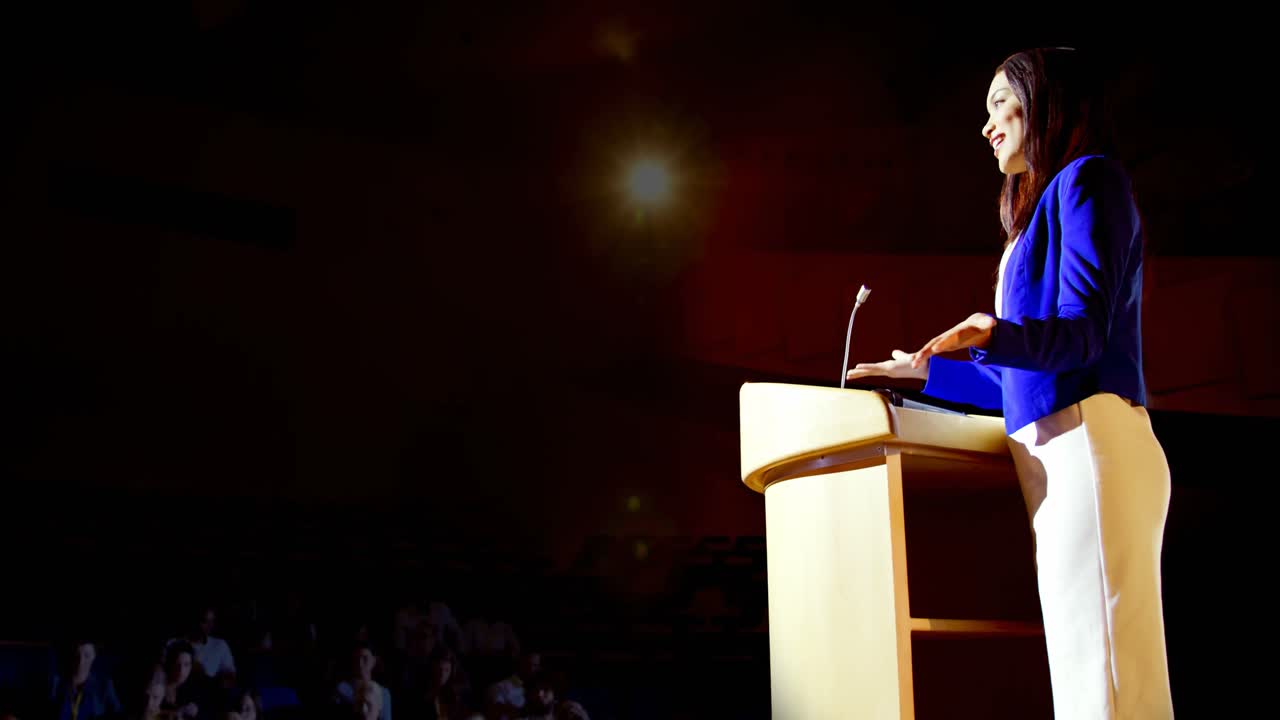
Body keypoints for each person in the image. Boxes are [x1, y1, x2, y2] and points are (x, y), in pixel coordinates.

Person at [847, 47, 1172, 719]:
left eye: (1001, 103)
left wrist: (993, 332)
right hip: (1059, 449)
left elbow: (1082, 336)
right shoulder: (1033, 217)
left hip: (1090, 446)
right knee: (1092, 675)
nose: (988, 125)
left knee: (1106, 677)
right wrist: (927, 370)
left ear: (1045, 101)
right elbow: (1024, 378)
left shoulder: (1089, 180)